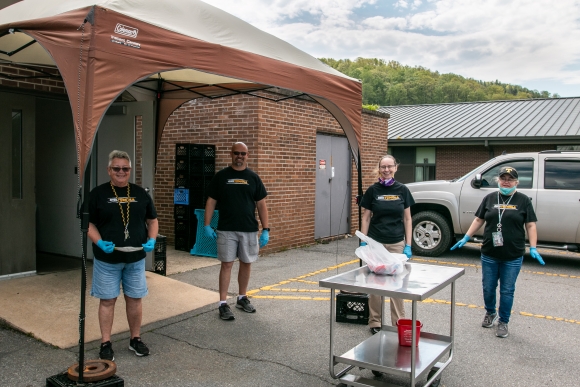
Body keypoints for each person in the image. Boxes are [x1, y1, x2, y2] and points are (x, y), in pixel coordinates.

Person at [451, 166, 544, 338]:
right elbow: (479, 219)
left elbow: (530, 225)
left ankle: (503, 321)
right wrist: (466, 237)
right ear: (498, 180)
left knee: (507, 290)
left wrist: (533, 247)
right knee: (488, 287)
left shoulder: (523, 200)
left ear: (516, 182)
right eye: (503, 178)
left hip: (513, 255)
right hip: (489, 253)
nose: (506, 181)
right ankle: (490, 313)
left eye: (510, 179)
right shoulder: (490, 198)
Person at [88, 150, 158, 361]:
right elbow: (88, 224)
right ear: (109, 170)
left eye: (125, 169)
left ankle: (135, 339)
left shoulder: (140, 193)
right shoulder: (98, 194)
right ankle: (106, 343)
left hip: (135, 259)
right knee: (108, 300)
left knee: (134, 299)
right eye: (116, 168)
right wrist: (99, 242)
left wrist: (152, 240)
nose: (121, 172)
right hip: (107, 260)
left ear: (129, 171)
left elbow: (152, 220)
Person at [204, 142, 269, 321]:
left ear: (247, 155)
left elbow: (262, 204)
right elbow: (211, 201)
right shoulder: (221, 176)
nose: (239, 156)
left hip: (248, 229)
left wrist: (266, 229)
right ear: (231, 154)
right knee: (226, 264)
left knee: (246, 263)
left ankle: (242, 297)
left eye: (243, 153)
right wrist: (207, 225)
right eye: (236, 153)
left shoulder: (253, 178)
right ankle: (223, 303)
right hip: (226, 229)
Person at [359, 155, 415, 335]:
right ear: (379, 169)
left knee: (397, 285)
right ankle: (375, 322)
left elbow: (407, 219)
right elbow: (366, 217)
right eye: (383, 167)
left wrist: (408, 244)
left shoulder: (403, 190)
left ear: (395, 168)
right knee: (375, 285)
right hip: (376, 244)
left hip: (397, 244)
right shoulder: (372, 190)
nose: (386, 170)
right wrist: (364, 240)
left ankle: (399, 322)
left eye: (389, 166)